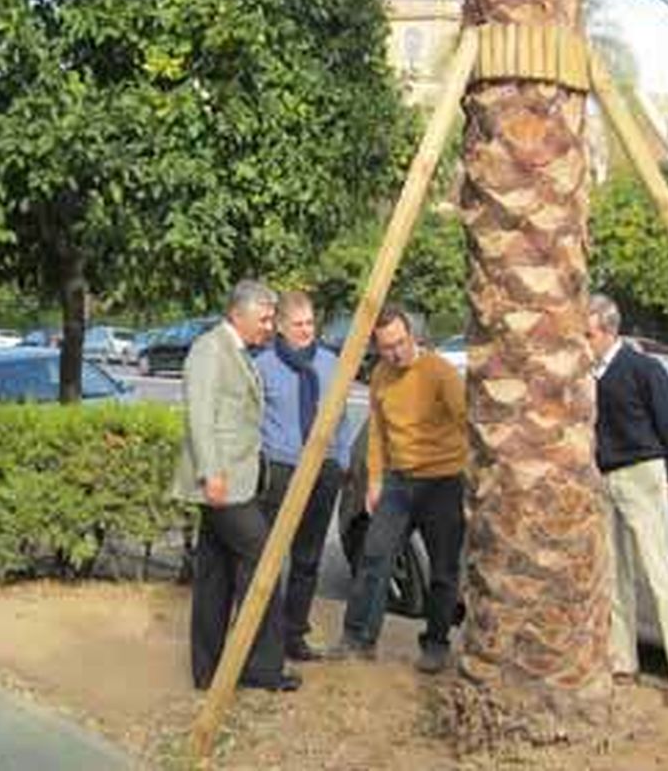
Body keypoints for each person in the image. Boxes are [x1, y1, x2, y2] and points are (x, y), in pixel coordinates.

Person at [169, 280, 299, 693]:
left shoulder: (238, 351)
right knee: (263, 562)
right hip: (222, 483)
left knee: (215, 575)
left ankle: (208, 673)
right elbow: (200, 416)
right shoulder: (211, 349)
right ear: (237, 314)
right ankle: (261, 668)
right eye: (263, 319)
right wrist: (212, 473)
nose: (269, 327)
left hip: (235, 482)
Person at [330, 307, 466, 674]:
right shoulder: (380, 376)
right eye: (387, 347)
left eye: (401, 343)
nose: (395, 353)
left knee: (443, 570)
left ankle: (436, 644)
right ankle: (358, 637)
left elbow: (466, 420)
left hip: (443, 482)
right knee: (374, 557)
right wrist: (374, 479)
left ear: (413, 337)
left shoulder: (440, 372)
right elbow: (376, 431)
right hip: (398, 482)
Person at [586, 293, 668, 706]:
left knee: (658, 573)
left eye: (588, 334)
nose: (584, 342)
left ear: (608, 330)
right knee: (614, 573)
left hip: (641, 473)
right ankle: (623, 662)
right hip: (604, 479)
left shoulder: (642, 369)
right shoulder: (588, 375)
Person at [252, 292, 357, 662]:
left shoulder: (331, 364)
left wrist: (341, 458)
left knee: (308, 558)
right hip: (281, 469)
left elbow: (342, 415)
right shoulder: (262, 366)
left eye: (310, 323)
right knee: (269, 556)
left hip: (323, 469)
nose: (305, 331)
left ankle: (294, 635)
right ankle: (262, 636)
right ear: (280, 327)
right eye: (297, 324)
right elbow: (252, 420)